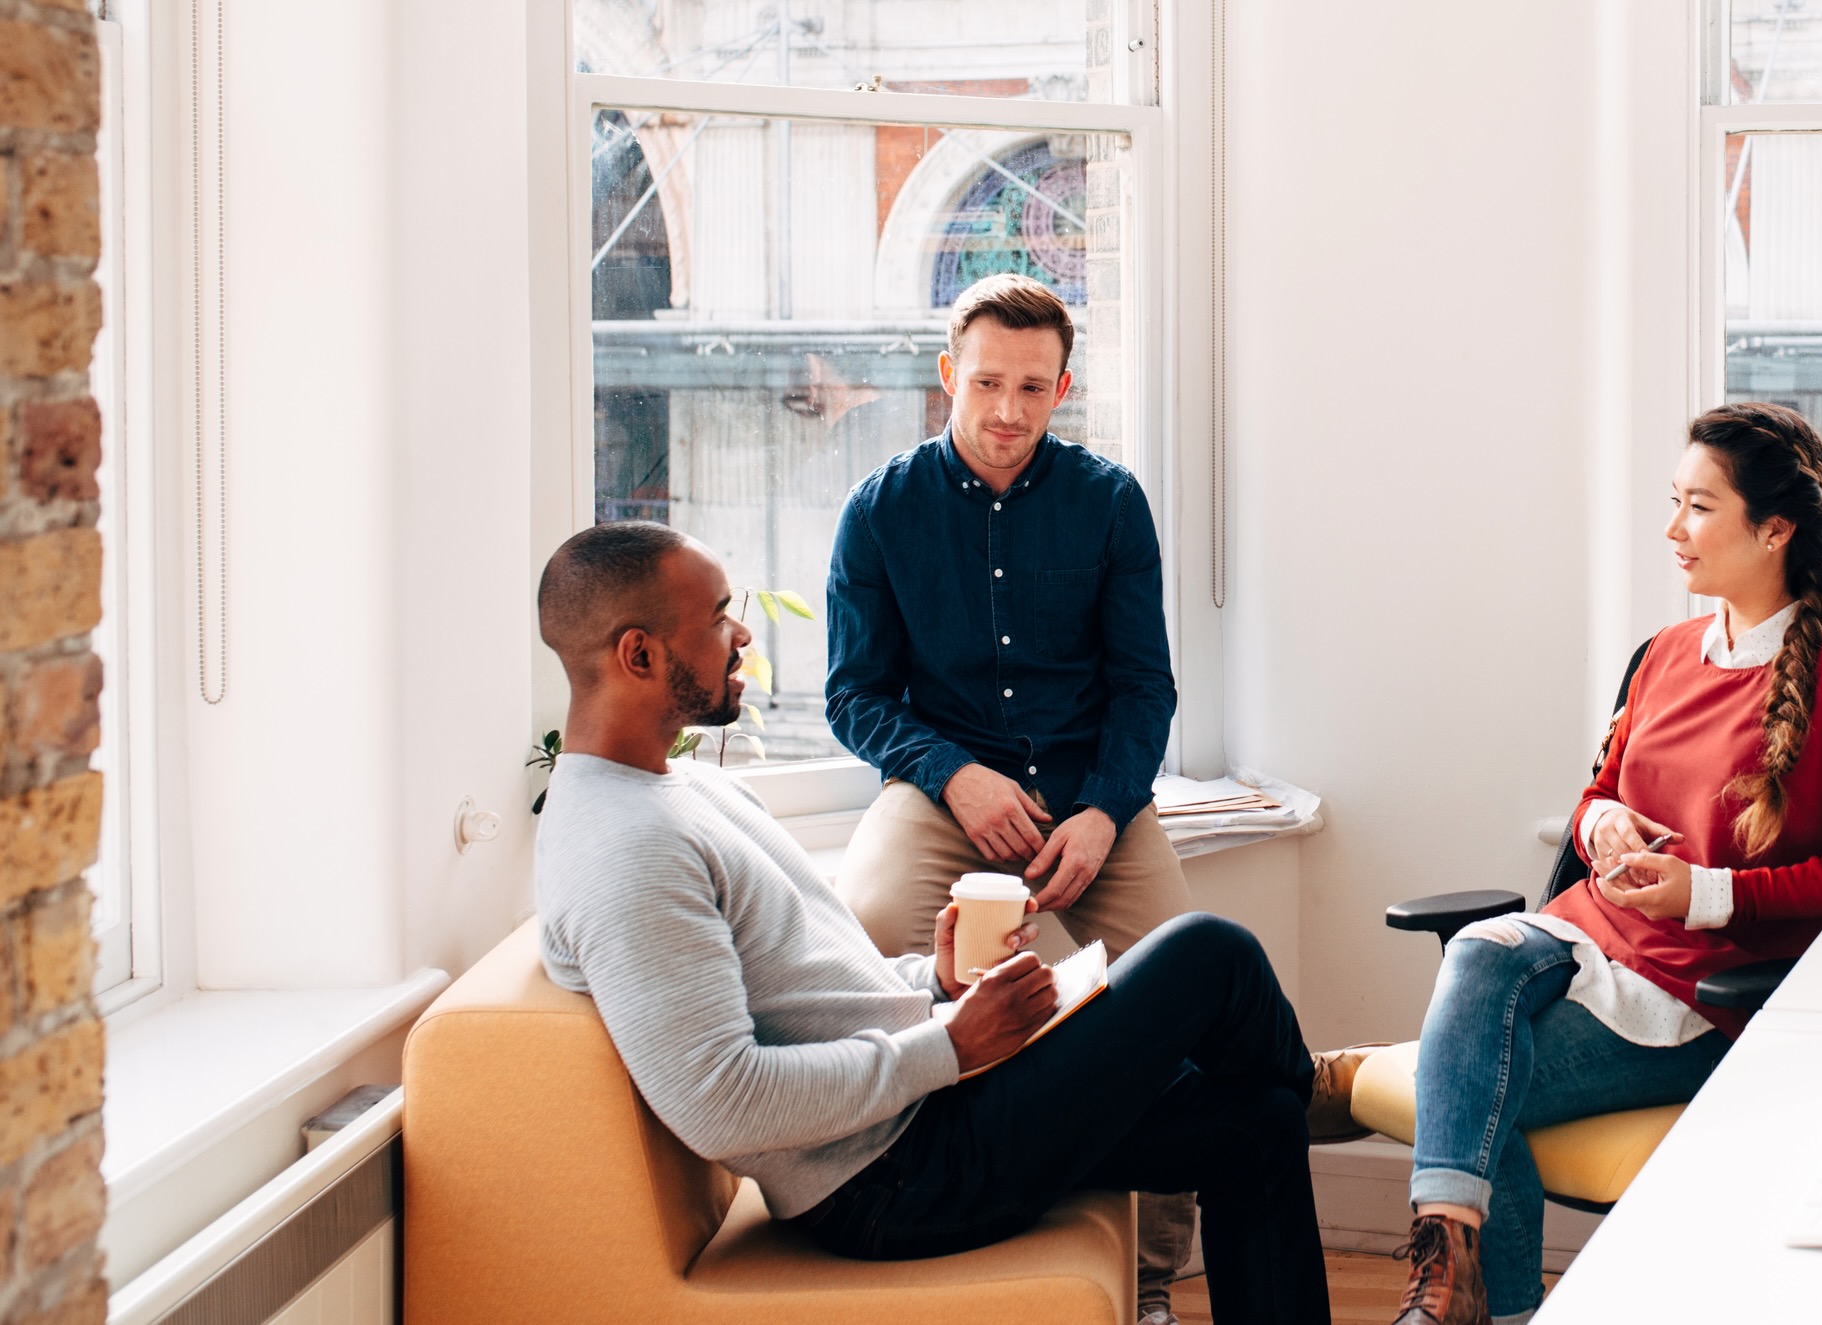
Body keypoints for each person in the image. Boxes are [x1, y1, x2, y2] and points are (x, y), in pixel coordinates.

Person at [531, 521, 1337, 1325]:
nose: (741, 633)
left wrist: (937, 983)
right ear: (638, 654)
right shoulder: (626, 849)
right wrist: (950, 1044)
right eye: (715, 617)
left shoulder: (684, 791)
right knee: (1209, 951)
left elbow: (806, 990)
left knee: (1255, 1126)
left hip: (920, 1119)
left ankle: (1295, 1095)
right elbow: (721, 1101)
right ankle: (1326, 1087)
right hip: (887, 1182)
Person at [1387, 404, 1822, 1325]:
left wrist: (1705, 892)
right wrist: (1607, 835)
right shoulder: (1667, 652)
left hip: (1697, 992)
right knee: (1478, 951)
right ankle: (1446, 1291)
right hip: (1586, 942)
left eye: (1699, 507)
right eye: (1673, 502)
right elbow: (1599, 797)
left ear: (1775, 528)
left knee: (1474, 1094)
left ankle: (1445, 1298)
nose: (1673, 529)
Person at [823, 272, 1212, 1315]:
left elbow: (1144, 684)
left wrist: (1103, 808)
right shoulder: (879, 511)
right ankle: (940, 1207)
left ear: (1062, 390)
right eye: (987, 381)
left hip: (1094, 793)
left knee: (1176, 996)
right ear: (949, 374)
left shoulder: (1110, 501)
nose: (1007, 410)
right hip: (944, 786)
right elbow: (852, 695)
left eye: (1032, 387)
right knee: (874, 939)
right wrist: (953, 773)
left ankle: (1149, 1280)